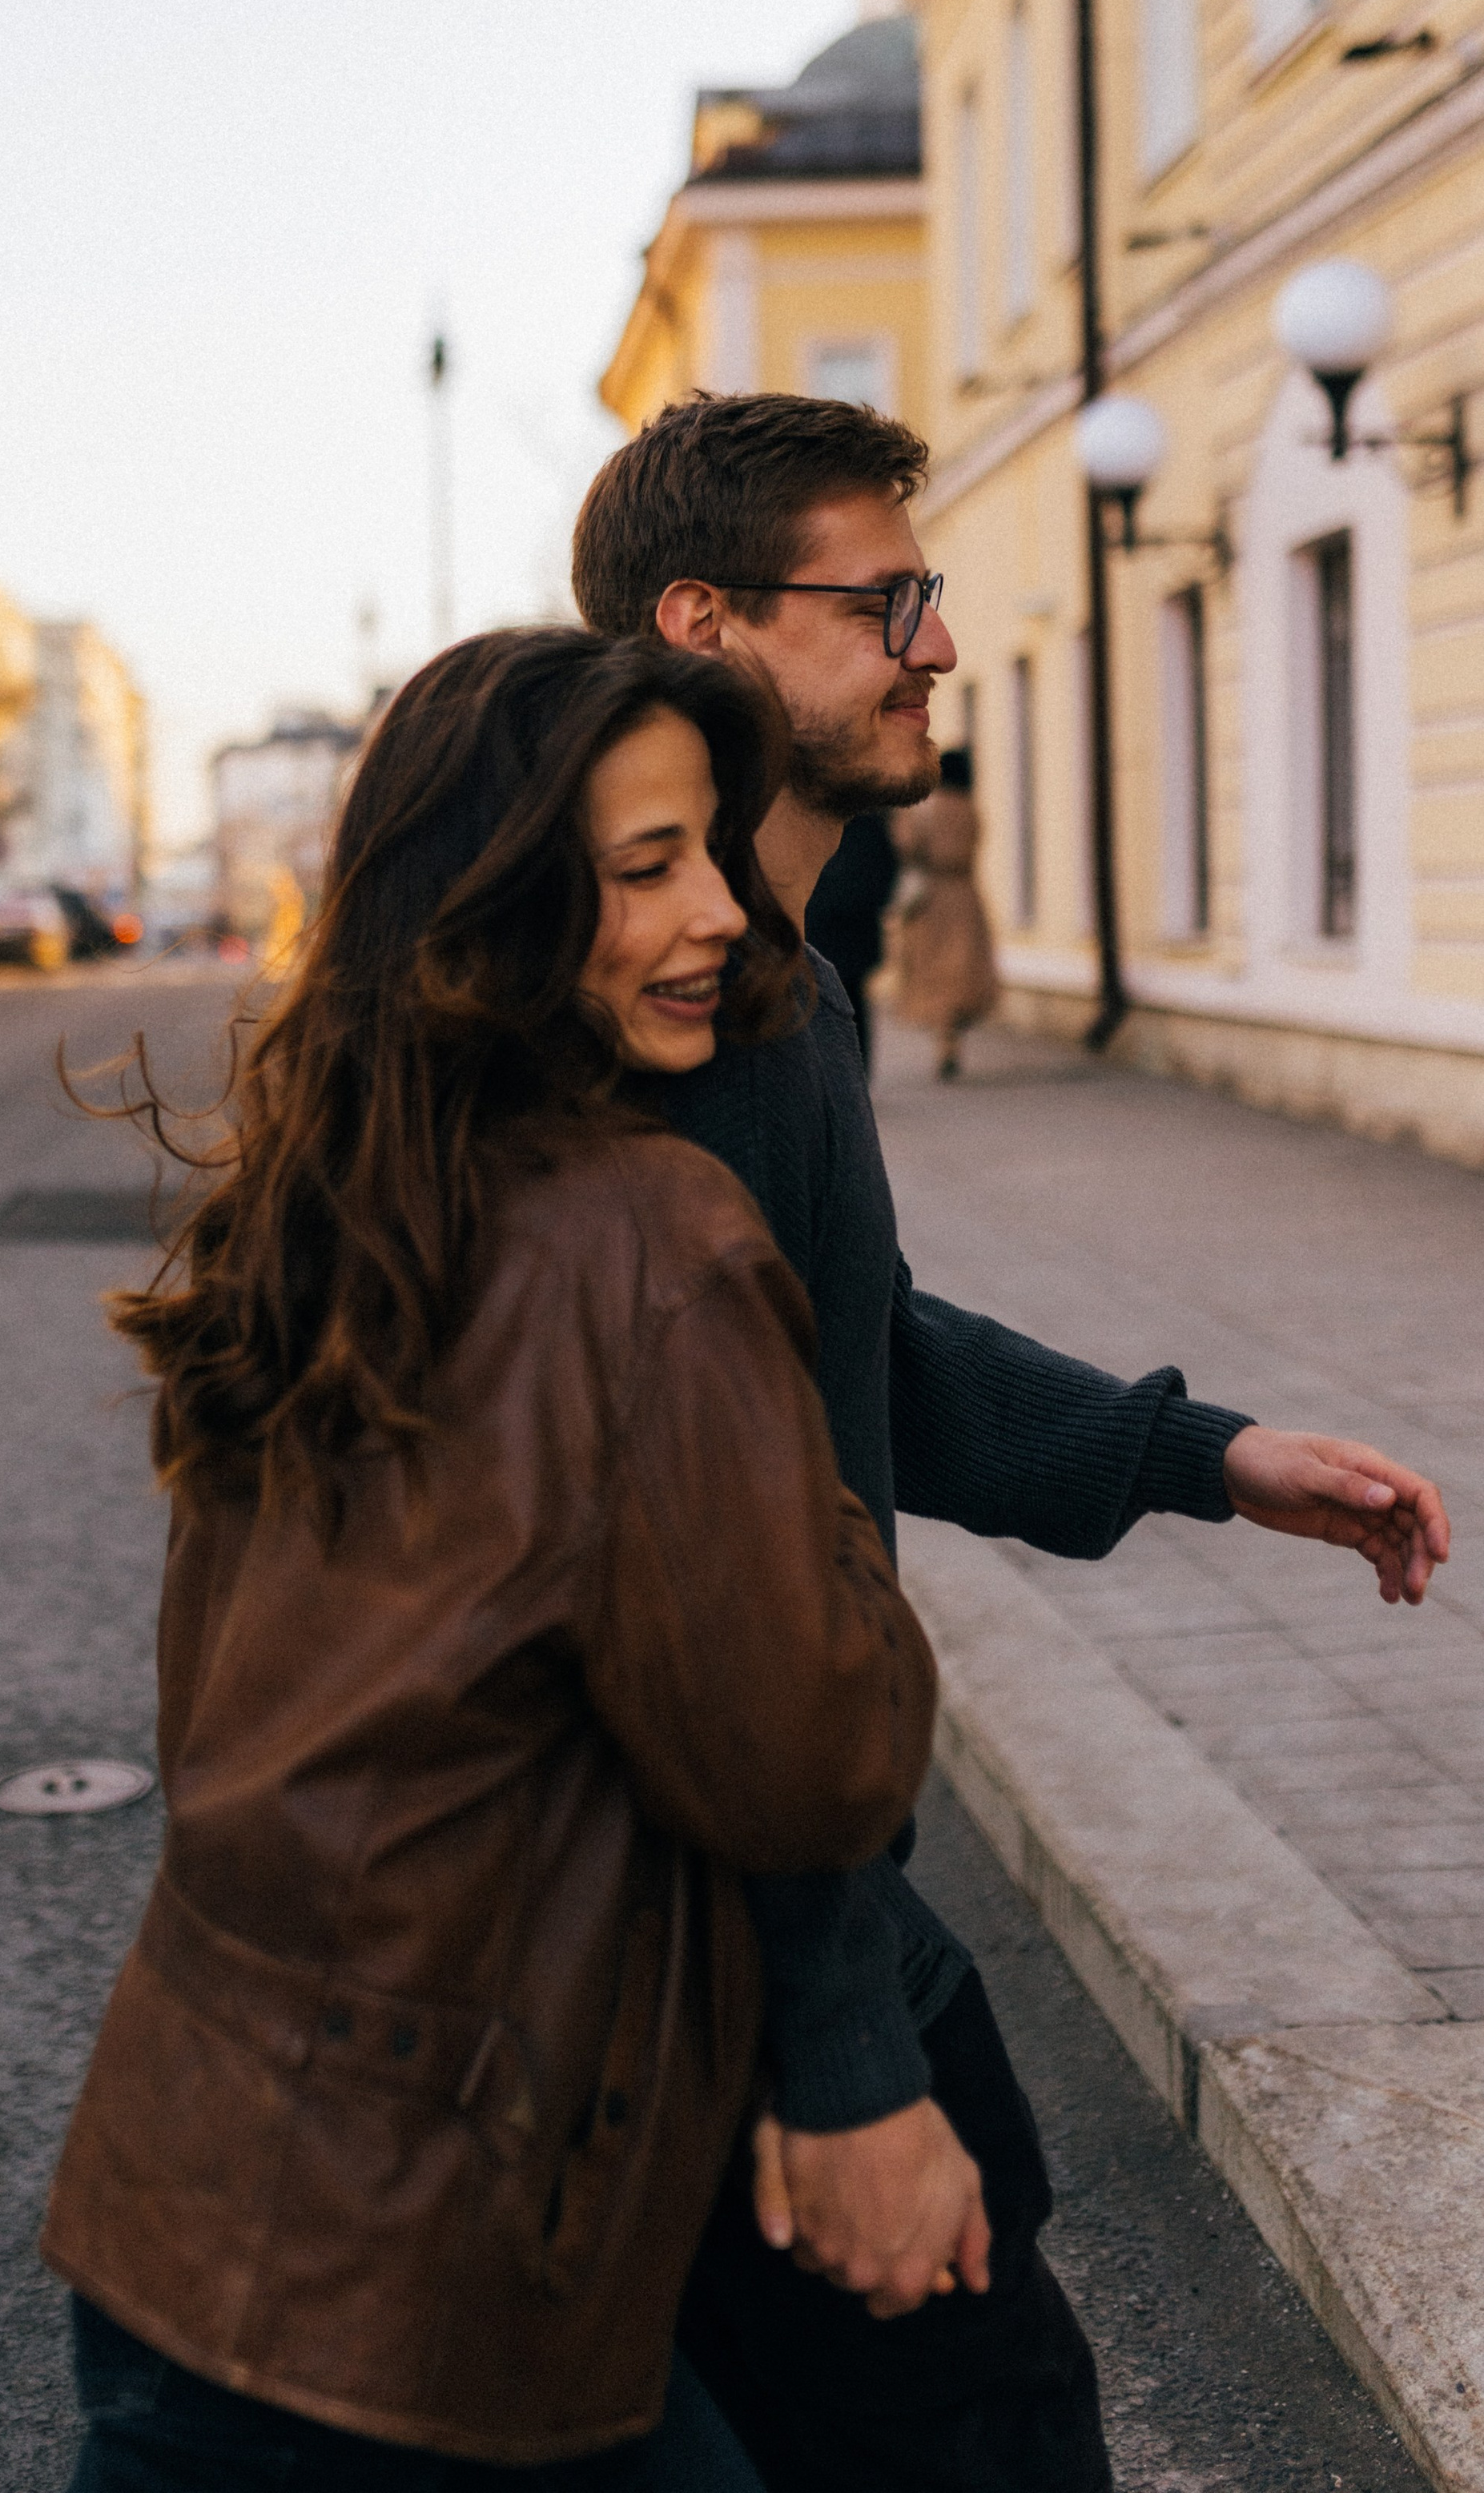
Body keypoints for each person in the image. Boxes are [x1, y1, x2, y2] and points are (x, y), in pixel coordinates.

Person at [571, 388, 1452, 2493]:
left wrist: (1204, 1454)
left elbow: (853, 1345)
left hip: (748, 1920)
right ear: (703, 623)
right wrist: (843, 2053)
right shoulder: (663, 1025)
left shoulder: (774, 990)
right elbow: (706, 1599)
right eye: (888, 602)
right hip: (685, 1938)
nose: (936, 647)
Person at [42, 626, 942, 2489]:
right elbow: (810, 1748)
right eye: (642, 870)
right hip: (416, 2286)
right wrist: (820, 1504)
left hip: (192, 2200)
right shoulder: (642, 1238)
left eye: (708, 847)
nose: (719, 913)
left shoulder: (332, 1193)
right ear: (498, 908)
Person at [891, 746, 998, 1080]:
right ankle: (952, 1036)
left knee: (935, 969)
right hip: (964, 894)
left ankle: (945, 1039)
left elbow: (907, 847)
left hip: (932, 897)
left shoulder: (924, 809)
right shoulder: (970, 809)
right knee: (962, 967)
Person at [802, 808, 899, 1073]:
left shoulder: (858, 821)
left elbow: (883, 873)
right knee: (845, 1000)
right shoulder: (865, 821)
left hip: (844, 926)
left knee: (846, 999)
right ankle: (850, 1073)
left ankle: (852, 1073)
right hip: (843, 926)